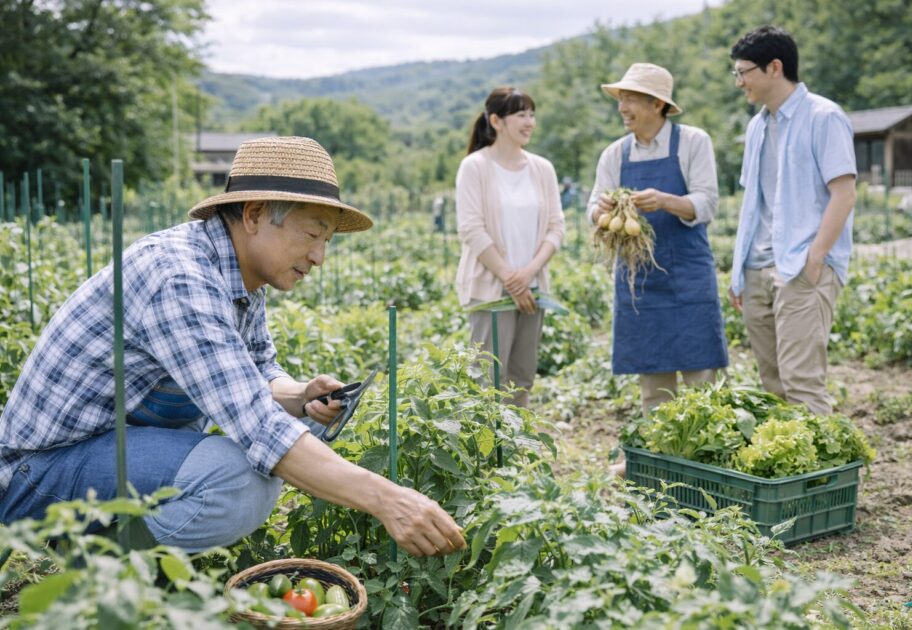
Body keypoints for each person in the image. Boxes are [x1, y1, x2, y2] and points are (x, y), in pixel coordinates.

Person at [0, 136, 466, 557]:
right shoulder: (179, 277)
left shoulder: (241, 276)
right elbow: (260, 428)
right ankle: (97, 562)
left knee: (282, 441)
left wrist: (300, 396)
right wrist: (389, 499)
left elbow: (258, 369)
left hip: (112, 444)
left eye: (326, 240)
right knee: (240, 481)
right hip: (39, 469)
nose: (319, 256)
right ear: (254, 215)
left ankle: (116, 545)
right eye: (312, 233)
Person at [587, 63, 728, 433]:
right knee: (653, 385)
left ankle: (706, 455)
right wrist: (601, 210)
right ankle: (662, 456)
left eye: (631, 99)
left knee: (701, 379)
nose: (622, 107)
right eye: (621, 99)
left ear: (657, 104)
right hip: (640, 283)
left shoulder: (693, 141)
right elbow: (592, 207)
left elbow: (707, 203)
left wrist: (666, 201)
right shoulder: (615, 154)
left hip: (689, 277)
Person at [728, 26, 857, 415]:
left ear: (774, 67)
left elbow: (844, 194)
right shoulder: (756, 127)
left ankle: (822, 457)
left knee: (802, 383)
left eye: (743, 72)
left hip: (801, 266)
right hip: (758, 268)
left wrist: (814, 259)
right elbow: (754, 202)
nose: (738, 82)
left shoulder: (824, 117)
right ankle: (792, 457)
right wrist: (739, 269)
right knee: (773, 386)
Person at [455, 87, 565, 408]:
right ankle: (487, 441)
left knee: (522, 376)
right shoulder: (475, 166)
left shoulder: (542, 168)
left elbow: (556, 227)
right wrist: (509, 278)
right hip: (490, 290)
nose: (530, 122)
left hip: (532, 288)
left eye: (532, 114)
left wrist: (528, 274)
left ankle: (518, 438)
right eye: (521, 115)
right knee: (486, 379)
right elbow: (471, 229)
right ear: (496, 121)